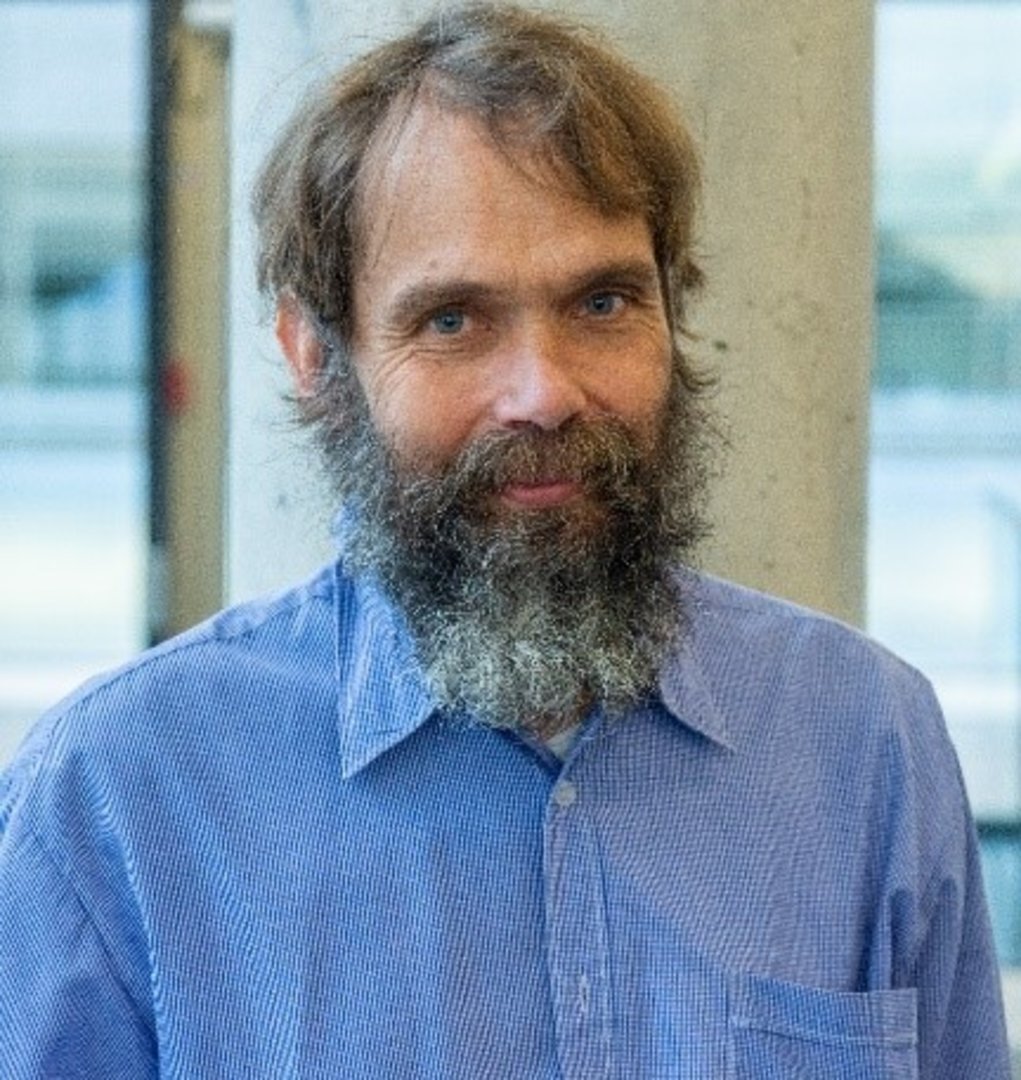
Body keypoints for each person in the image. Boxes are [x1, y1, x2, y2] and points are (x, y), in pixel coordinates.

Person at [0, 3, 1010, 1077]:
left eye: (602, 302)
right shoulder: (118, 801)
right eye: (452, 321)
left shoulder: (864, 745)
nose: (542, 393)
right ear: (316, 358)